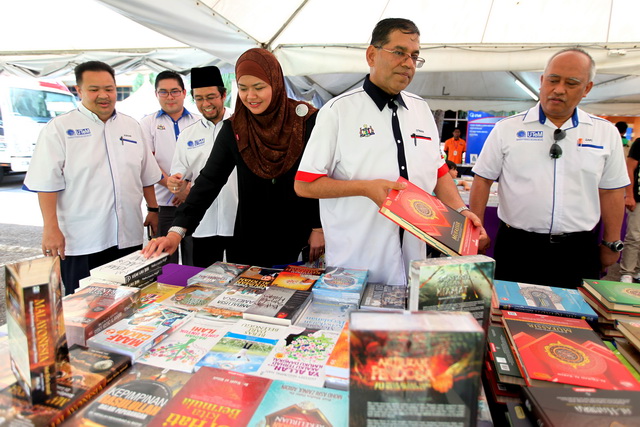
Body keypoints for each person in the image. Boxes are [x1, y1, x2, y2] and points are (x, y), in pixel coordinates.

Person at [294, 18, 485, 285]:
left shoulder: (421, 109)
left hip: (415, 263)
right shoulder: (337, 111)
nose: (408, 63)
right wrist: (366, 188)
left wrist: (460, 211)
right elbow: (304, 184)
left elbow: (438, 170)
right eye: (399, 52)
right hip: (356, 264)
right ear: (372, 55)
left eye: (414, 56)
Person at [143, 48, 324, 267]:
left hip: (300, 236)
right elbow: (208, 181)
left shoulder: (304, 122)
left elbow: (319, 176)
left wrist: (318, 227)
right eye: (243, 88)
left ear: (276, 84)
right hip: (250, 237)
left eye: (259, 87)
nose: (250, 96)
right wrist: (175, 233)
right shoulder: (235, 128)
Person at [469, 48, 629, 288]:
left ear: (587, 88)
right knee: (510, 309)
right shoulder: (507, 129)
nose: (559, 89)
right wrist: (476, 232)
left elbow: (612, 190)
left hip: (578, 251)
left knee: (578, 311)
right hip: (517, 248)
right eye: (553, 80)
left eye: (571, 83)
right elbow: (482, 180)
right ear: (542, 81)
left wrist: (611, 243)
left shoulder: (605, 132)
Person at [24, 61, 161, 295]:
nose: (103, 95)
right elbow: (46, 184)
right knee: (84, 306)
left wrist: (153, 210)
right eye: (94, 89)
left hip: (127, 236)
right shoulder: (59, 128)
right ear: (79, 90)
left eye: (109, 89)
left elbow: (146, 173)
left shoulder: (131, 126)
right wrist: (50, 228)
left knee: (131, 300)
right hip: (82, 240)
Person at [166, 66, 238, 268]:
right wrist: (175, 184)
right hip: (202, 224)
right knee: (203, 280)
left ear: (223, 95)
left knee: (244, 279)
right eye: (199, 99)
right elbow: (178, 175)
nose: (206, 104)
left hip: (238, 222)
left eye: (211, 97)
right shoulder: (187, 135)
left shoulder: (241, 127)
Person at [140, 71, 201, 265]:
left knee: (195, 260)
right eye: (163, 92)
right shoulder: (147, 124)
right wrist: (174, 187)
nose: (170, 97)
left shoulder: (199, 122)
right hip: (163, 205)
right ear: (156, 94)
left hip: (194, 200)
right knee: (165, 261)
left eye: (175, 91)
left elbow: (205, 161)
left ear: (184, 93)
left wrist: (187, 189)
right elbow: (147, 162)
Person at [620, 136, 640, 282]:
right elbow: (630, 168)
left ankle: (637, 270)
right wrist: (629, 195)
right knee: (634, 236)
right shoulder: (639, 143)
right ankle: (627, 272)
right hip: (637, 198)